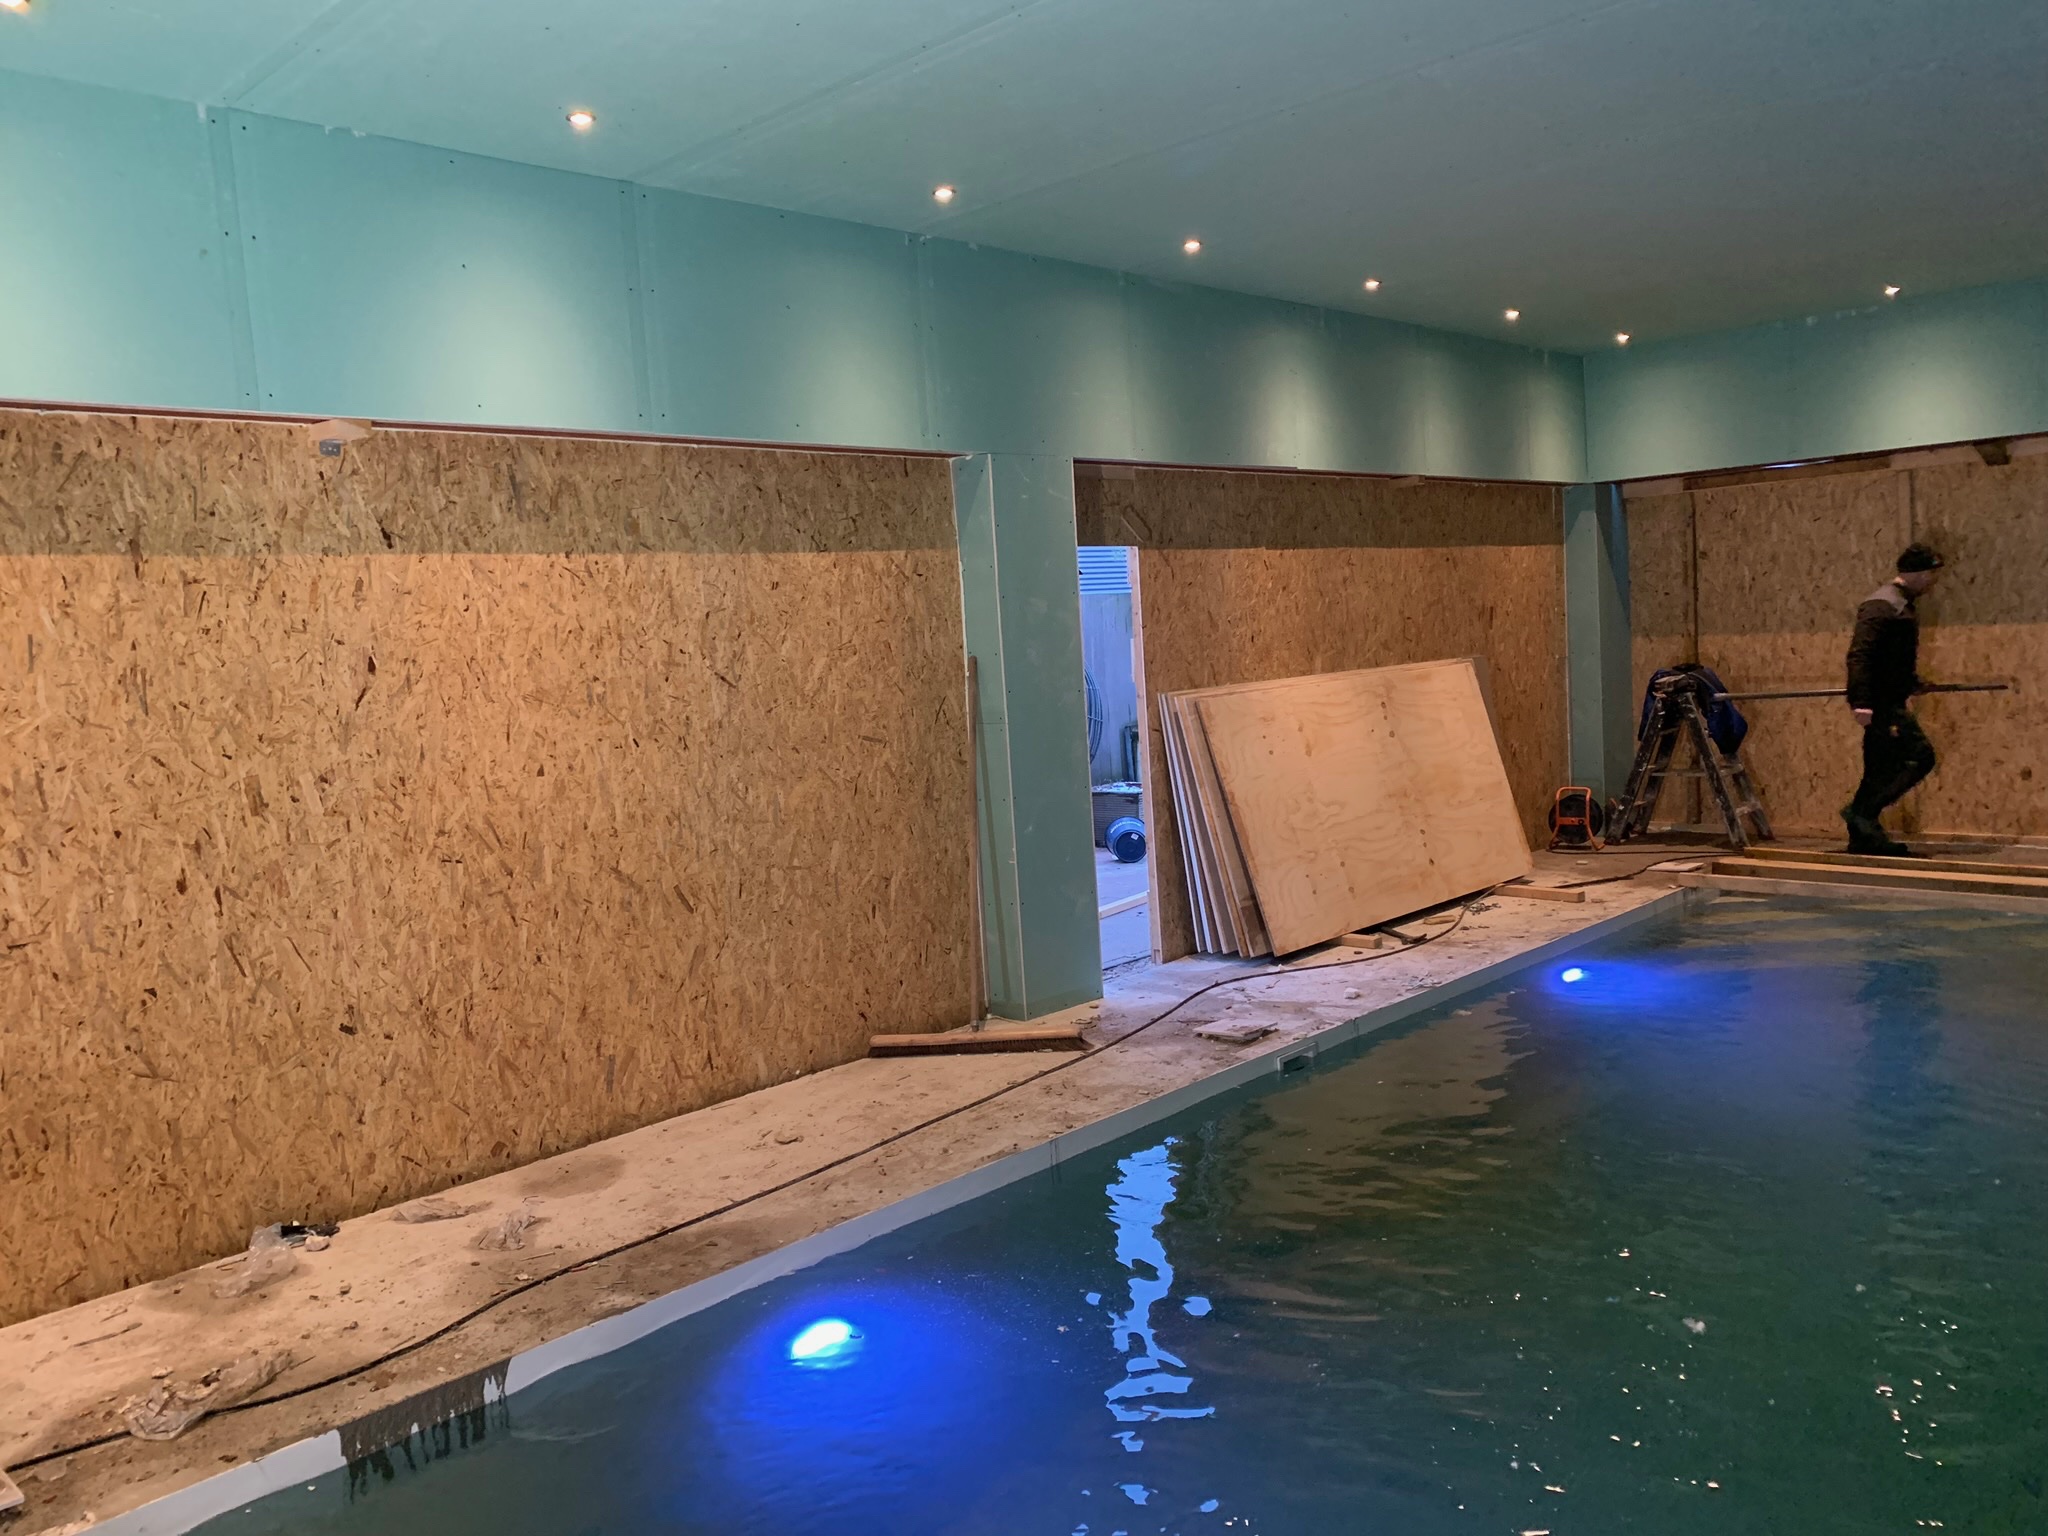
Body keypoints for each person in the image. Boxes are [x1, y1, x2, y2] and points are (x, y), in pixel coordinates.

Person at [1842, 543, 1944, 854]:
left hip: (1889, 698)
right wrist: (1860, 701)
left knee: (1878, 768)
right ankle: (1861, 813)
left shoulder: (1900, 604)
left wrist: (1911, 682)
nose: (1932, 582)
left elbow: (1893, 657)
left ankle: (1864, 837)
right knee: (1921, 756)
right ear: (1918, 573)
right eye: (1931, 575)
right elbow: (1861, 655)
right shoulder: (1882, 605)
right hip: (1881, 703)